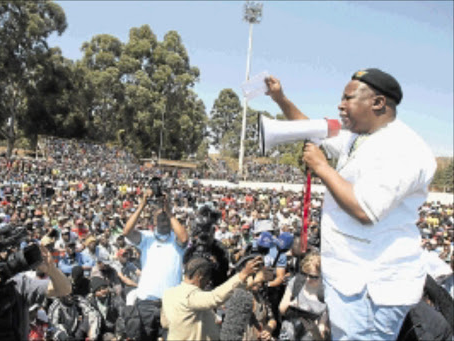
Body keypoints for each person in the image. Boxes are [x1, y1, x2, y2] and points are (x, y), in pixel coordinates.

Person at [265, 69, 437, 340]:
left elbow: (364, 209)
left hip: (372, 289)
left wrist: (322, 166)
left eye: (348, 98)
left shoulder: (403, 148)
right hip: (351, 280)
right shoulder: (360, 136)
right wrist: (281, 99)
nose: (340, 105)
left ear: (378, 103)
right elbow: (309, 127)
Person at [123, 187, 188, 340]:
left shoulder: (176, 239)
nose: (164, 221)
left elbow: (185, 238)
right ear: (153, 221)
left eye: (166, 218)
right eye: (160, 218)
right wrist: (142, 205)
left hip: (171, 304)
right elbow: (126, 232)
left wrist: (169, 211)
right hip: (146, 303)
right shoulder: (146, 238)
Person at [161, 256, 263, 341]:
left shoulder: (168, 293)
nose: (208, 283)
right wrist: (243, 274)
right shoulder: (190, 296)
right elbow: (215, 297)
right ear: (199, 276)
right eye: (207, 279)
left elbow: (165, 323)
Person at [279, 251, 329, 341]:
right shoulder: (297, 282)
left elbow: (321, 336)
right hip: (288, 335)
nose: (307, 279)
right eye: (305, 274)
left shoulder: (326, 295)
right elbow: (281, 310)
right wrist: (291, 305)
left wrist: (314, 331)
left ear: (323, 276)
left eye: (313, 276)